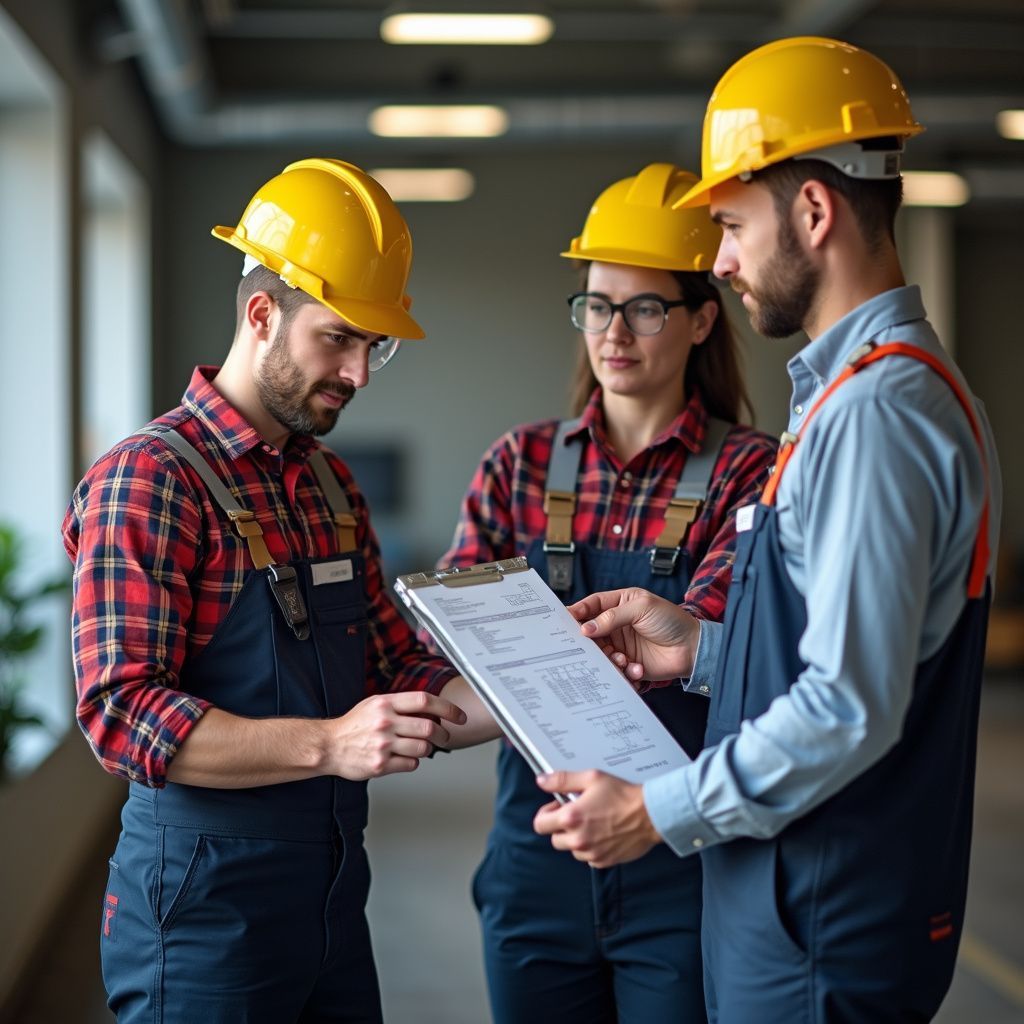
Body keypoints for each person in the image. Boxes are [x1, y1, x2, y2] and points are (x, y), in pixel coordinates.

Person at [533, 38, 1002, 1024]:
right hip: (798, 902)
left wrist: (653, 811)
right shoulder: (847, 397)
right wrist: (701, 647)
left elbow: (847, 705)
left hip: (821, 914)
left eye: (733, 225)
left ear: (815, 211)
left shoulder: (877, 412)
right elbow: (845, 640)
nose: (720, 261)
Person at [62, 158, 491, 1023]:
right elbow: (121, 712)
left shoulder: (330, 486)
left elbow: (392, 665)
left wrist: (538, 690)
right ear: (261, 314)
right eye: (338, 337)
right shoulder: (149, 480)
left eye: (376, 346)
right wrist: (331, 745)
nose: (360, 373)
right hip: (202, 902)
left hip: (331, 892)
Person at [436, 163, 777, 1023]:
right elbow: (456, 641)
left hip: (680, 854)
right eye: (595, 304)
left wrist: (540, 646)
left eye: (644, 307)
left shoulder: (752, 469)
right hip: (535, 855)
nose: (612, 332)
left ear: (703, 318)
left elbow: (722, 641)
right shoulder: (517, 464)